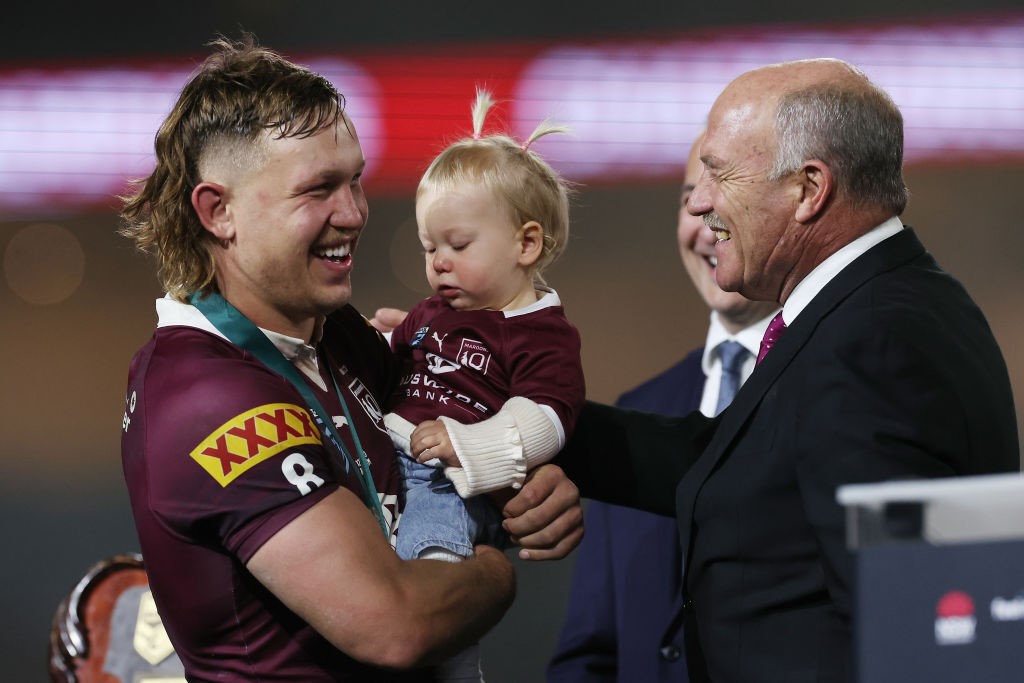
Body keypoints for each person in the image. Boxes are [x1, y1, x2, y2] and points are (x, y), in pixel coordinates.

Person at [118, 36, 582, 682]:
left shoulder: (336, 334)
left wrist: (525, 476)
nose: (355, 212)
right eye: (319, 190)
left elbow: (459, 421)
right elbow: (396, 623)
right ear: (218, 211)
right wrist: (495, 570)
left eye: (355, 179)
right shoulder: (203, 394)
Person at [554, 57, 1019, 682]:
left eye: (718, 174)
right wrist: (523, 413)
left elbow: (907, 630)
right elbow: (728, 465)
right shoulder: (865, 310)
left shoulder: (876, 338)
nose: (699, 204)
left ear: (808, 189)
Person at [547, 132, 778, 682]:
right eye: (688, 199)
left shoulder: (827, 386)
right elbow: (590, 650)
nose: (705, 221)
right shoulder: (637, 410)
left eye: (727, 198)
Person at [382, 89, 585, 680]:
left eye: (458, 245)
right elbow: (393, 371)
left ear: (526, 243)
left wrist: (469, 446)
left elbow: (546, 417)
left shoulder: (540, 331)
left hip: (453, 481)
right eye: (429, 247)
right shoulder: (428, 314)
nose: (438, 262)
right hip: (392, 453)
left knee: (435, 562)